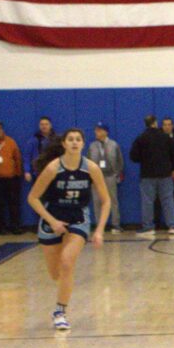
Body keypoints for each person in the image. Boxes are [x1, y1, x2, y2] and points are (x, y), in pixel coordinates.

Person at [27, 129, 110, 330]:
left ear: (83, 144)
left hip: (78, 219)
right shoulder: (53, 168)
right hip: (52, 219)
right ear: (64, 144)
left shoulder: (90, 168)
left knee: (66, 263)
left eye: (78, 139)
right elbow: (33, 198)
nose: (74, 142)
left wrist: (99, 230)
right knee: (56, 274)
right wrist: (52, 221)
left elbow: (106, 201)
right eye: (70, 139)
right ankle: (61, 297)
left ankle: (60, 311)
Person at [129, 115, 174, 237]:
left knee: (147, 201)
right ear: (155, 123)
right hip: (165, 173)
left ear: (146, 124)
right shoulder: (165, 137)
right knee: (168, 200)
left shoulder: (141, 138)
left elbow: (133, 156)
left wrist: (144, 158)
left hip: (147, 174)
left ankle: (148, 227)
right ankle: (172, 226)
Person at [87, 122, 124, 234]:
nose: (96, 132)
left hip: (110, 176)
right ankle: (100, 226)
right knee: (97, 201)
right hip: (96, 177)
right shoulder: (92, 146)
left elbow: (119, 160)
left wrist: (117, 173)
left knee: (113, 200)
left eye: (99, 130)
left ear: (105, 132)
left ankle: (115, 225)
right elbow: (88, 161)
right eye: (96, 130)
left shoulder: (114, 144)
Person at [24, 116, 56, 184]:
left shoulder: (56, 139)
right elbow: (27, 156)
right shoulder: (33, 140)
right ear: (39, 126)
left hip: (54, 172)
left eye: (46, 124)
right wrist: (27, 171)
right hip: (38, 173)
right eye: (42, 124)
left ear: (50, 125)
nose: (44, 126)